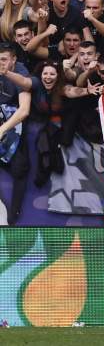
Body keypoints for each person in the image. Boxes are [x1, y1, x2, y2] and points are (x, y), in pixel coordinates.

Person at [0, 43, 31, 225]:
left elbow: (24, 110)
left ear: (13, 60)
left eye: (4, 59)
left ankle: (13, 218)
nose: (1, 63)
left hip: (14, 126)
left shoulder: (21, 73)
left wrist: (3, 129)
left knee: (20, 168)